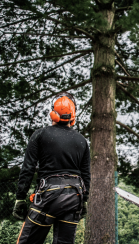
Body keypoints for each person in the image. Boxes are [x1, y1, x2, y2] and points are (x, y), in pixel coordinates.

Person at [13, 92, 91, 244]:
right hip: (74, 198)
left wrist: (20, 197)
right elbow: (86, 175)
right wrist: (85, 201)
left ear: (52, 114)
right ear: (72, 116)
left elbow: (28, 168)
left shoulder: (40, 135)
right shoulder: (82, 141)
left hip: (47, 197)